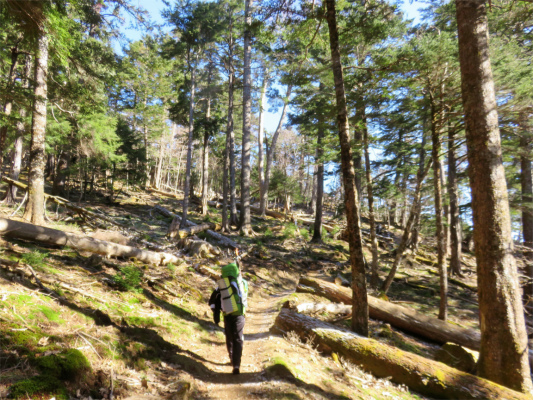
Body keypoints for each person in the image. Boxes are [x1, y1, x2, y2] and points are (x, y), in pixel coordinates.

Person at [209, 250, 248, 375]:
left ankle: (231, 358)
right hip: (239, 315)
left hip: (227, 314)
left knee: (229, 337)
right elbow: (245, 296)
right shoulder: (243, 283)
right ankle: (236, 364)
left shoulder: (222, 284)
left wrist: (216, 313)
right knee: (238, 338)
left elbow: (212, 300)